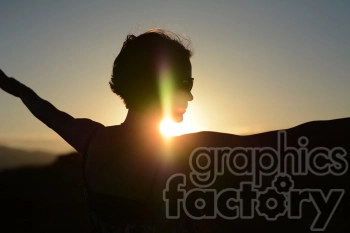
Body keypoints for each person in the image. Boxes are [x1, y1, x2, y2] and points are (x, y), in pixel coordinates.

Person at [1, 28, 349, 233]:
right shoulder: (183, 154)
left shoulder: (89, 139)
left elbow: (41, 107)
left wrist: (10, 85)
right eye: (185, 82)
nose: (192, 94)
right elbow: (294, 139)